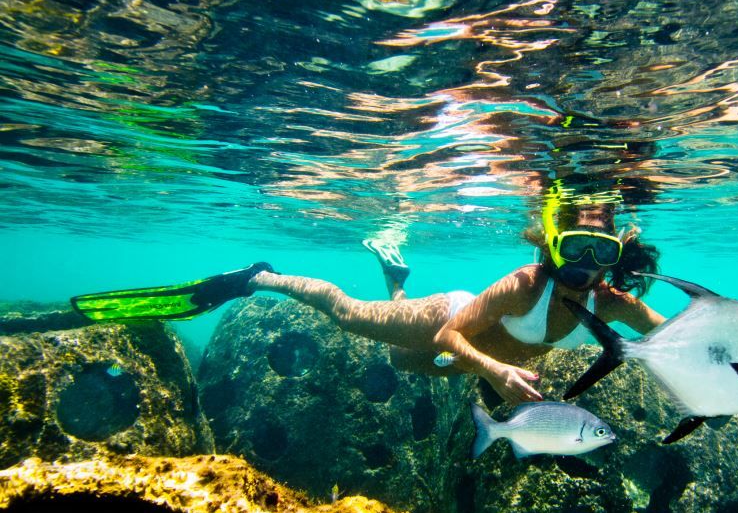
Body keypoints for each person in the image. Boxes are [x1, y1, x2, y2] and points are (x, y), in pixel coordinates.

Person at [71, 190, 665, 404]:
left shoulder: (610, 302)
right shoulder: (522, 284)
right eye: (576, 247)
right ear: (552, 244)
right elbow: (448, 337)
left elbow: (673, 335)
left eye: (601, 251)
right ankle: (258, 276)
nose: (586, 268)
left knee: (400, 365)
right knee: (351, 316)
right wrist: (495, 370)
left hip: (463, 361)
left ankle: (396, 270)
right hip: (448, 321)